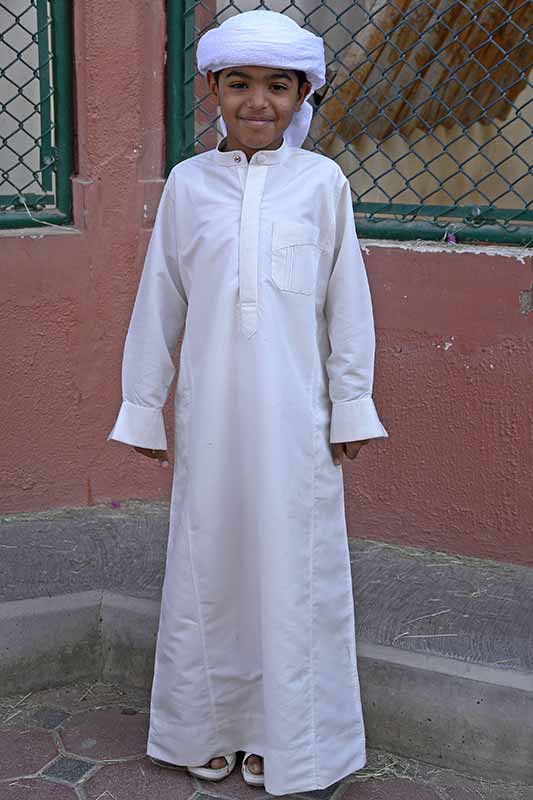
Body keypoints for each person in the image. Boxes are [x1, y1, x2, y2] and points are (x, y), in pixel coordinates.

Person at [108, 8, 388, 795]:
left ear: (303, 94)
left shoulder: (321, 183)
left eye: (277, 85)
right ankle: (209, 726)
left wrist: (351, 407)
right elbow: (158, 298)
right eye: (239, 84)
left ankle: (287, 738)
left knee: (294, 574)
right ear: (212, 91)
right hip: (211, 420)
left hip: (297, 422)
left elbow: (347, 304)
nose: (257, 101)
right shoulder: (188, 185)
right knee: (210, 566)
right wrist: (144, 406)